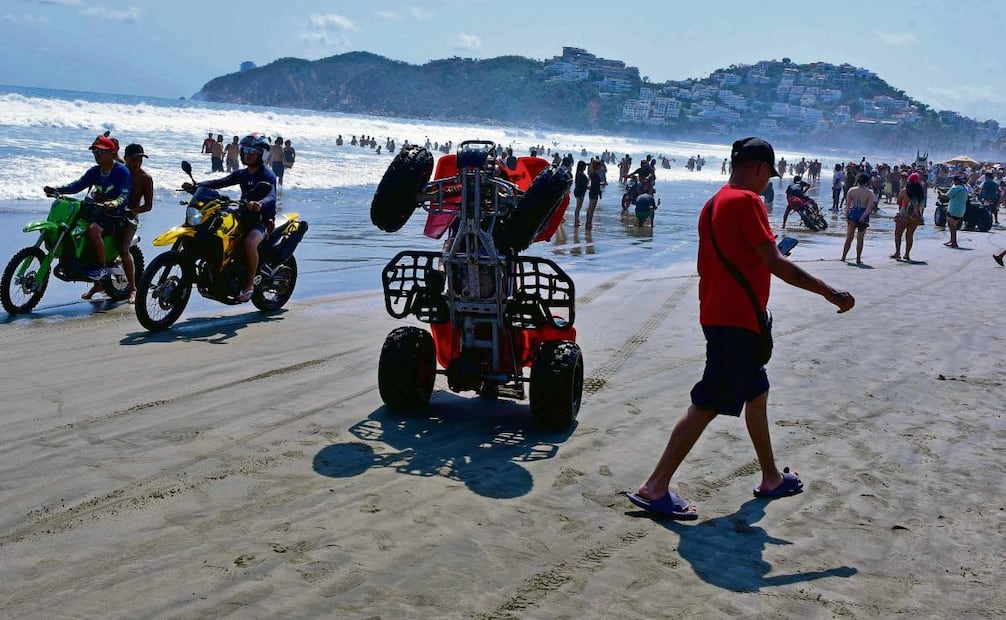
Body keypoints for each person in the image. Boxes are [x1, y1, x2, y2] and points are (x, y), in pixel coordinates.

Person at [627, 137, 854, 520]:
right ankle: (655, 487)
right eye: (769, 176)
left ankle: (770, 477)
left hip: (719, 313)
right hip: (737, 321)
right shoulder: (748, 202)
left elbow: (733, 258)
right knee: (708, 401)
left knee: (756, 393)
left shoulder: (713, 203)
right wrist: (829, 292)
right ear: (762, 168)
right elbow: (776, 264)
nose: (768, 184)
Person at [182, 133, 277, 302]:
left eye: (252, 151)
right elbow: (220, 182)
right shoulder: (242, 173)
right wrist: (197, 186)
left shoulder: (267, 175)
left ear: (262, 154)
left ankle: (249, 285)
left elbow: (271, 196)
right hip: (243, 214)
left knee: (249, 242)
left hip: (261, 220)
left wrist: (259, 204)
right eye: (245, 150)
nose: (247, 154)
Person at [42, 135, 131, 281]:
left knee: (93, 230)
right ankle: (78, 260)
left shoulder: (121, 171)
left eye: (100, 152)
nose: (97, 155)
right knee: (72, 226)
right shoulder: (95, 171)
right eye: (95, 152)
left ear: (111, 153)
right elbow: (77, 185)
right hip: (97, 210)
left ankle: (102, 268)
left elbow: (125, 193)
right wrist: (57, 190)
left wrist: (114, 203)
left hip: (114, 215)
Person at [82, 143, 153, 302]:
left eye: (140, 160)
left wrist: (133, 211)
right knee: (90, 238)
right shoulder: (118, 170)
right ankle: (98, 283)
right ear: (126, 159)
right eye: (134, 160)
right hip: (109, 213)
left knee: (123, 249)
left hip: (129, 218)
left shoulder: (145, 178)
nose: (137, 164)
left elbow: (148, 206)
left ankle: (133, 288)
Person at [841, 173, 874, 264]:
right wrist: (863, 216)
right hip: (863, 213)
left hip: (853, 213)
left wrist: (846, 215)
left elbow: (847, 205)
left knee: (849, 237)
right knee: (860, 238)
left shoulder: (851, 190)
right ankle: (858, 259)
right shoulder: (869, 193)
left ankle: (843, 256)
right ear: (866, 182)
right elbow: (869, 208)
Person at [893, 172, 925, 261]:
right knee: (910, 235)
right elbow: (922, 204)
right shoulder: (920, 192)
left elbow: (898, 201)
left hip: (904, 213)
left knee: (898, 234)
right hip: (916, 215)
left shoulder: (905, 190)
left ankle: (897, 252)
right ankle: (907, 254)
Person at [944, 175, 968, 249]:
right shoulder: (965, 188)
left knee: (952, 227)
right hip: (961, 211)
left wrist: (940, 194)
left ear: (956, 181)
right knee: (953, 227)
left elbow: (946, 196)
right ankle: (952, 240)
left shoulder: (956, 188)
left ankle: (954, 242)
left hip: (953, 210)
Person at [583, 158, 603, 231]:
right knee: (591, 209)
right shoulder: (595, 175)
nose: (601, 167)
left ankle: (588, 223)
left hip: (593, 192)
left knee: (591, 209)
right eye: (600, 166)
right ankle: (588, 224)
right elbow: (595, 185)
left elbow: (594, 184)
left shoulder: (593, 174)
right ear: (598, 167)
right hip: (594, 193)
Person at [572, 160, 588, 227]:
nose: (585, 167)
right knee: (578, 207)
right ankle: (576, 221)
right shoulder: (581, 175)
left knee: (578, 207)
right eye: (585, 166)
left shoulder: (578, 173)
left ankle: (577, 220)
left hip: (578, 191)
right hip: (580, 192)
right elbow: (583, 185)